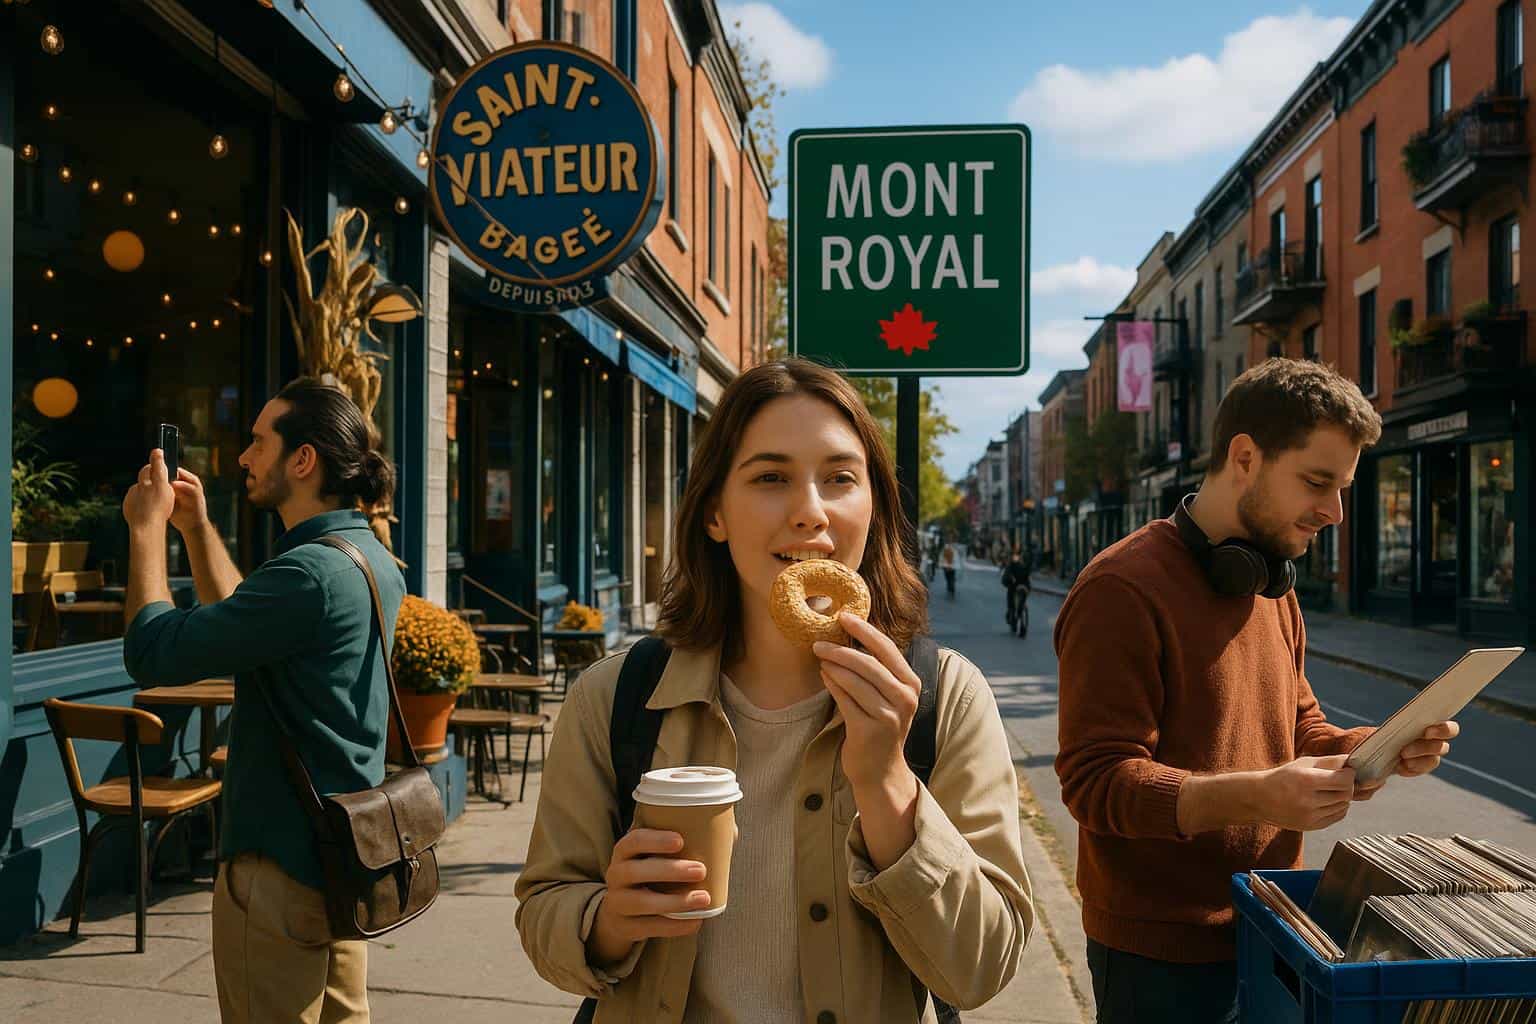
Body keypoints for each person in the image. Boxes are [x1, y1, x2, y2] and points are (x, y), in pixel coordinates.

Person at [515, 359, 1033, 1023]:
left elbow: (980, 969)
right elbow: (544, 916)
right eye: (770, 478)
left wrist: (887, 784)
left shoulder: (943, 698)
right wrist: (611, 920)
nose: (810, 512)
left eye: (841, 478)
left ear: (873, 508)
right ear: (713, 514)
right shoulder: (615, 698)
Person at [1053, 359, 1461, 1024]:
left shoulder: (1271, 583)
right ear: (1244, 456)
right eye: (1316, 482)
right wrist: (1261, 793)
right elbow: (1097, 784)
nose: (1333, 511)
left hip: (1273, 921)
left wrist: (1376, 748)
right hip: (1161, 958)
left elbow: (1299, 725)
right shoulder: (1120, 589)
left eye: (1343, 487)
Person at [121, 379, 406, 1024]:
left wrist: (145, 530)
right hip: (342, 858)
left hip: (278, 865)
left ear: (302, 460)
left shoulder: (306, 574)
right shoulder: (366, 557)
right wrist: (194, 528)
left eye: (257, 441)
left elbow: (152, 651)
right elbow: (246, 630)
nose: (243, 457)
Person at [1001, 547, 1031, 632]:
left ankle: (1017, 618)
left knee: (1016, 602)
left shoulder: (1019, 563)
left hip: (1020, 586)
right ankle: (1014, 616)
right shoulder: (1014, 564)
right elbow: (1006, 577)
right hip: (1017, 586)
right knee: (1014, 603)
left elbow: (1027, 577)